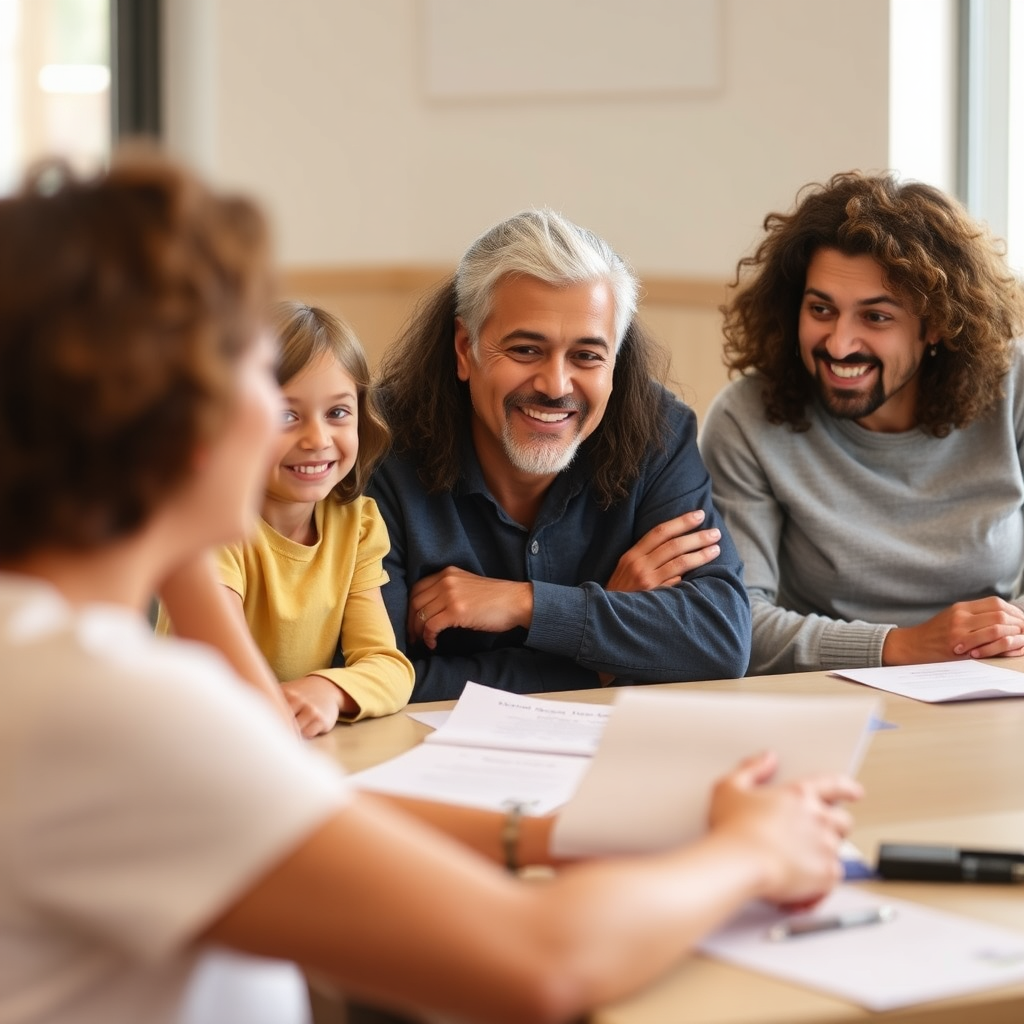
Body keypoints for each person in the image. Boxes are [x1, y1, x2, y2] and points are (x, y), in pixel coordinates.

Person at [0, 152, 863, 1024]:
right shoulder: (111, 714)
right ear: (181, 430)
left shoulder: (51, 652)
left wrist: (590, 829)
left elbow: (295, 796)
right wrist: (746, 854)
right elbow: (544, 963)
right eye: (256, 378)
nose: (299, 423)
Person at [368, 209, 751, 701]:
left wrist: (526, 605)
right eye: (526, 350)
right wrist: (603, 659)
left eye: (588, 356)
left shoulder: (659, 431)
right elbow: (379, 682)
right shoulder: (379, 442)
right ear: (466, 349)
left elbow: (720, 640)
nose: (555, 385)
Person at [700, 170, 1024, 675]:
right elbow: (737, 622)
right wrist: (902, 646)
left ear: (936, 323)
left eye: (876, 317)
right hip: (824, 695)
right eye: (821, 309)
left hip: (994, 681)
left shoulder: (1014, 388)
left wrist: (1000, 634)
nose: (839, 343)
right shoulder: (746, 420)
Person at [161, 301, 415, 737]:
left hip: (279, 740)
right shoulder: (218, 526)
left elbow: (389, 667)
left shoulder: (357, 524)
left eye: (337, 413)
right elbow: (223, 679)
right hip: (192, 735)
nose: (317, 439)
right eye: (286, 415)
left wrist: (328, 690)